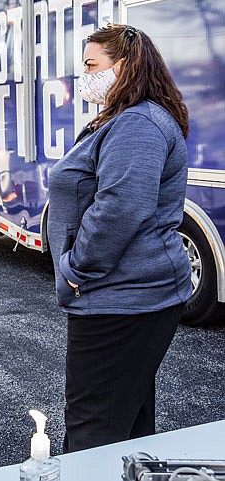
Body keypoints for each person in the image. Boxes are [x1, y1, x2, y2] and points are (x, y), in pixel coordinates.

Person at [47, 24, 192, 453]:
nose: (85, 76)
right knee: (125, 420)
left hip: (121, 298)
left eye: (92, 65)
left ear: (125, 66)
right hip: (124, 296)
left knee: (94, 429)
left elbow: (120, 208)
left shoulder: (138, 124)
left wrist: (77, 270)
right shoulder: (126, 118)